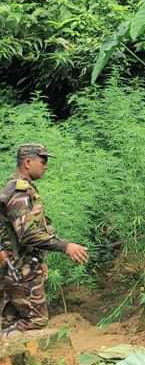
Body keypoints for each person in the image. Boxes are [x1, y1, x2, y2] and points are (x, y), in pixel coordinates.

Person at [0, 144, 88, 335]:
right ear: (28, 162)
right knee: (35, 320)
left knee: (11, 320)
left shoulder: (20, 188)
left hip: (18, 265)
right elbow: (28, 234)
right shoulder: (19, 190)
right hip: (19, 268)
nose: (46, 165)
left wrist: (40, 260)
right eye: (43, 160)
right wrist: (65, 246)